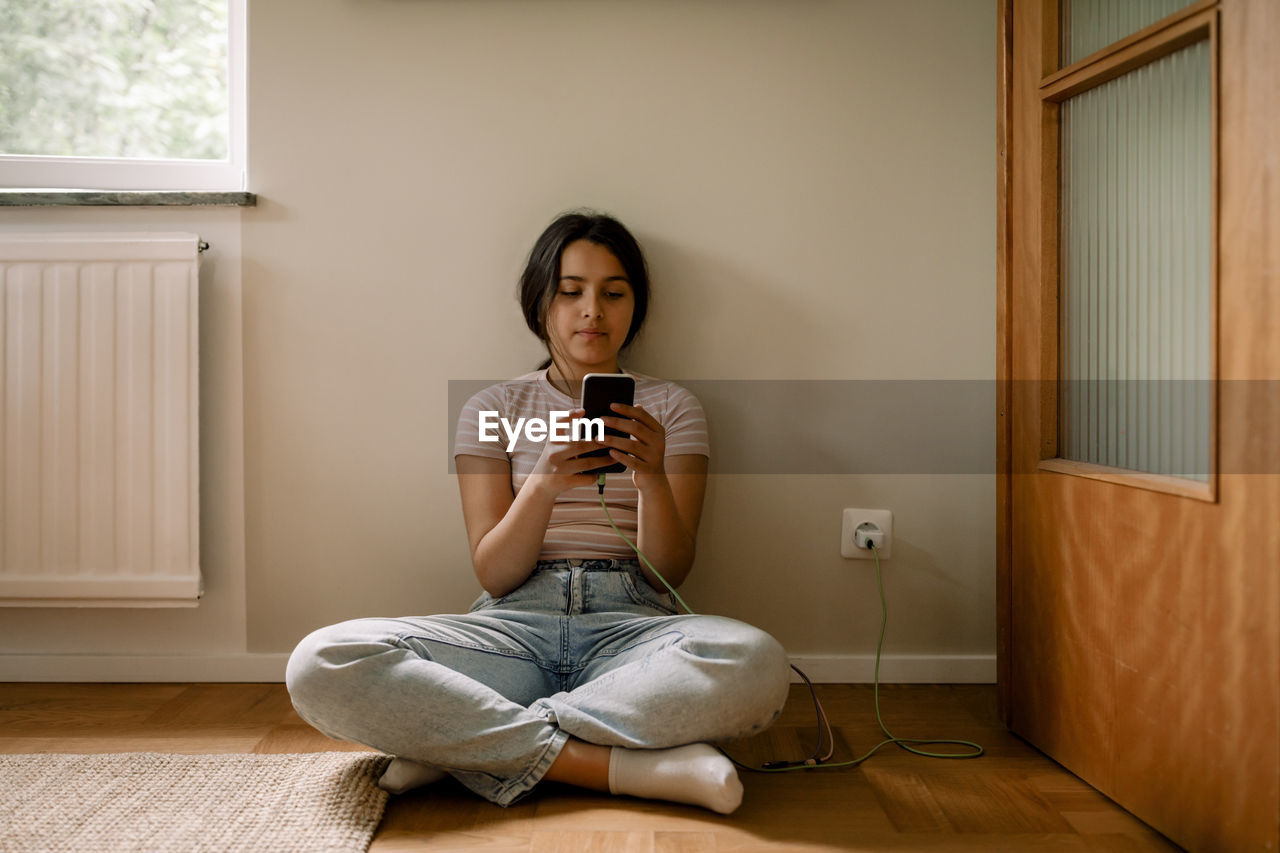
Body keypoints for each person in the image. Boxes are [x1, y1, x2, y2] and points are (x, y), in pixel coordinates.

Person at [285, 211, 792, 814]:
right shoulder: (492, 407)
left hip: (630, 629)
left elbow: (668, 577)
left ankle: (464, 745)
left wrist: (652, 478)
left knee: (755, 661)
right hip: (511, 626)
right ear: (540, 303)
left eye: (613, 293)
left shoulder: (674, 407)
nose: (592, 312)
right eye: (570, 291)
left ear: (637, 305)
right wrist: (544, 485)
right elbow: (494, 574)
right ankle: (618, 766)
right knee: (322, 661)